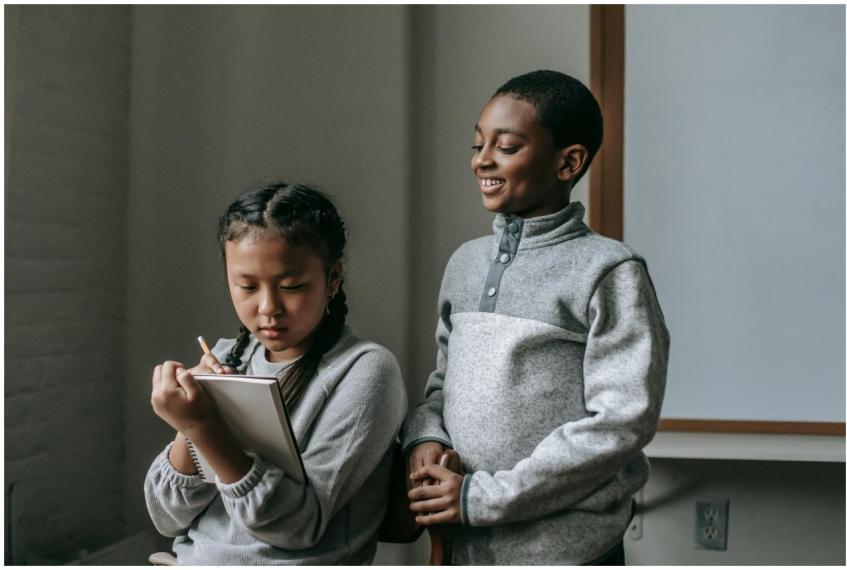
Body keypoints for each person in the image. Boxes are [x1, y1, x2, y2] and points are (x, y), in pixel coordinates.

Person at [402, 70, 670, 565]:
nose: (482, 159)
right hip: (468, 548)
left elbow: (620, 422)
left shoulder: (609, 269)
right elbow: (442, 385)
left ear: (568, 162)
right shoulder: (464, 262)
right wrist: (426, 435)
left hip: (565, 553)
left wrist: (483, 497)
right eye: (478, 144)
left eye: (507, 147)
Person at [144, 182, 407, 565]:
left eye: (291, 286)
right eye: (246, 286)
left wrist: (204, 428)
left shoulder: (365, 371)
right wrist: (188, 427)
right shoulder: (224, 358)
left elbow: (297, 526)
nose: (268, 308)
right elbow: (167, 518)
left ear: (333, 279)